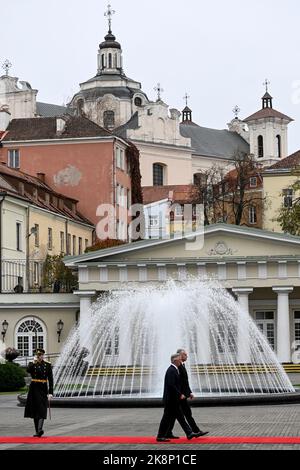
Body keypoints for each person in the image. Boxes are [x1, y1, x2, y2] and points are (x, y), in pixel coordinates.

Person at [156, 354, 200, 442]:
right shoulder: (171, 370)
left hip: (173, 400)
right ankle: (160, 436)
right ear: (175, 360)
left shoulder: (174, 370)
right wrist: (180, 394)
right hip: (170, 400)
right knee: (167, 418)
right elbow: (171, 385)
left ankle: (189, 433)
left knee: (180, 417)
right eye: (179, 359)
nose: (181, 361)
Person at [166, 349, 208, 439]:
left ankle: (168, 432)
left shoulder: (181, 365)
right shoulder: (178, 367)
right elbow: (178, 383)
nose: (186, 356)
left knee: (175, 415)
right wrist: (181, 394)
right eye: (184, 355)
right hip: (180, 396)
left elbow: (185, 382)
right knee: (184, 414)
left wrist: (189, 392)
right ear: (180, 356)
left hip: (182, 394)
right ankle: (194, 431)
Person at [24, 348, 53, 437]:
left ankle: (40, 429)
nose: (40, 357)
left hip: (43, 388)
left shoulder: (47, 365)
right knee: (35, 409)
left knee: (42, 408)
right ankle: (37, 431)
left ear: (43, 355)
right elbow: (28, 370)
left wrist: (50, 392)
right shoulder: (32, 364)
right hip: (34, 388)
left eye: (41, 355)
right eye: (38, 355)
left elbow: (51, 380)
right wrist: (33, 362)